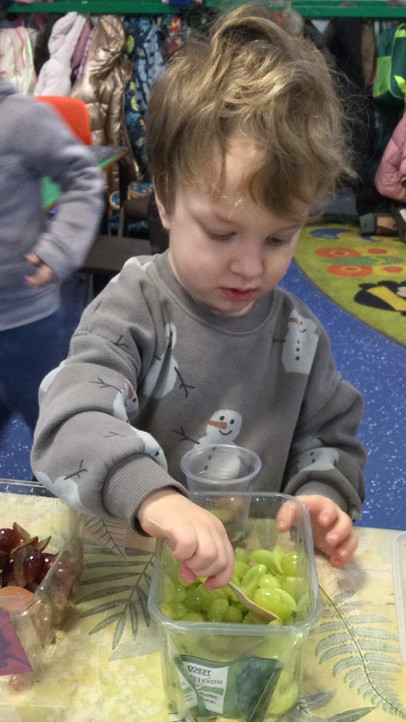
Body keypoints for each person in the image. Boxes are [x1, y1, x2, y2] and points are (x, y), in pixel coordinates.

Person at [31, 5, 367, 589]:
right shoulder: (133, 308)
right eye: (220, 233)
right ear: (164, 199)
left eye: (278, 238)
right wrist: (155, 497)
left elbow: (330, 439)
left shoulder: (300, 335)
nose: (249, 266)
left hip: (245, 586)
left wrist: (320, 496)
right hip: (130, 573)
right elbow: (70, 423)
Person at [0, 73, 105, 441]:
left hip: (26, 319)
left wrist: (59, 249)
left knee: (55, 433)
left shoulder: (21, 118)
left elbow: (83, 178)